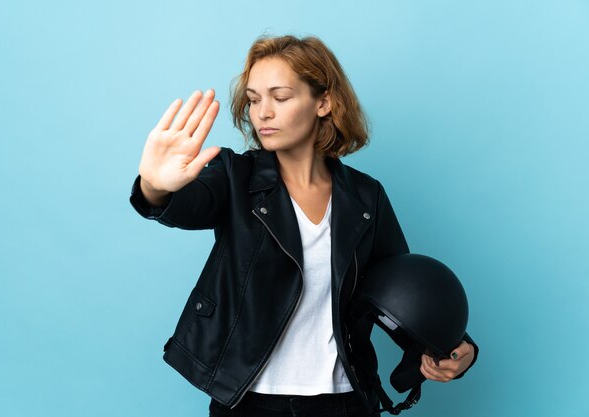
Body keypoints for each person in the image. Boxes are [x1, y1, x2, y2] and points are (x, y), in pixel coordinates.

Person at [130, 35, 478, 417]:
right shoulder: (233, 176)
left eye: (279, 97)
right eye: (254, 98)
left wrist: (454, 346)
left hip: (345, 401)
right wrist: (155, 187)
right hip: (250, 402)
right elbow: (185, 206)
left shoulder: (365, 198)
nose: (262, 112)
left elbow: (398, 293)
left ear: (324, 102)